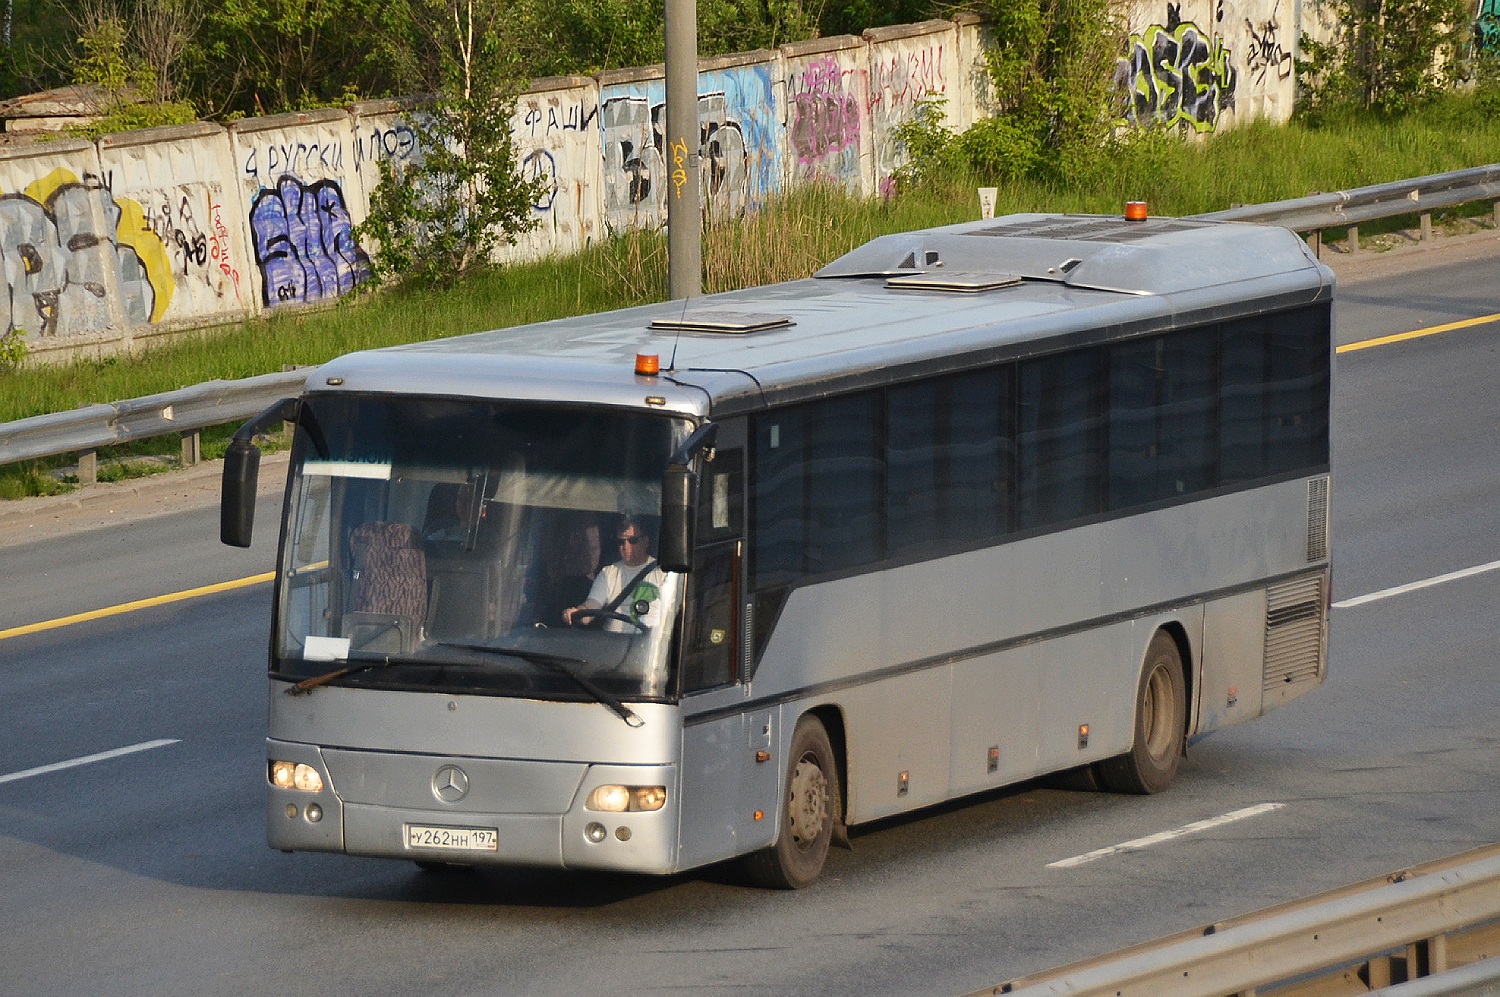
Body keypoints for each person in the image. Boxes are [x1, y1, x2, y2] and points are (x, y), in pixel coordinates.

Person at [564, 515, 667, 632]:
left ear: (646, 541)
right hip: (613, 645)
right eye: (621, 542)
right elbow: (592, 604)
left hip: (650, 646)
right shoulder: (609, 573)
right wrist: (578, 612)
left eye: (633, 541)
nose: (626, 547)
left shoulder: (662, 573)